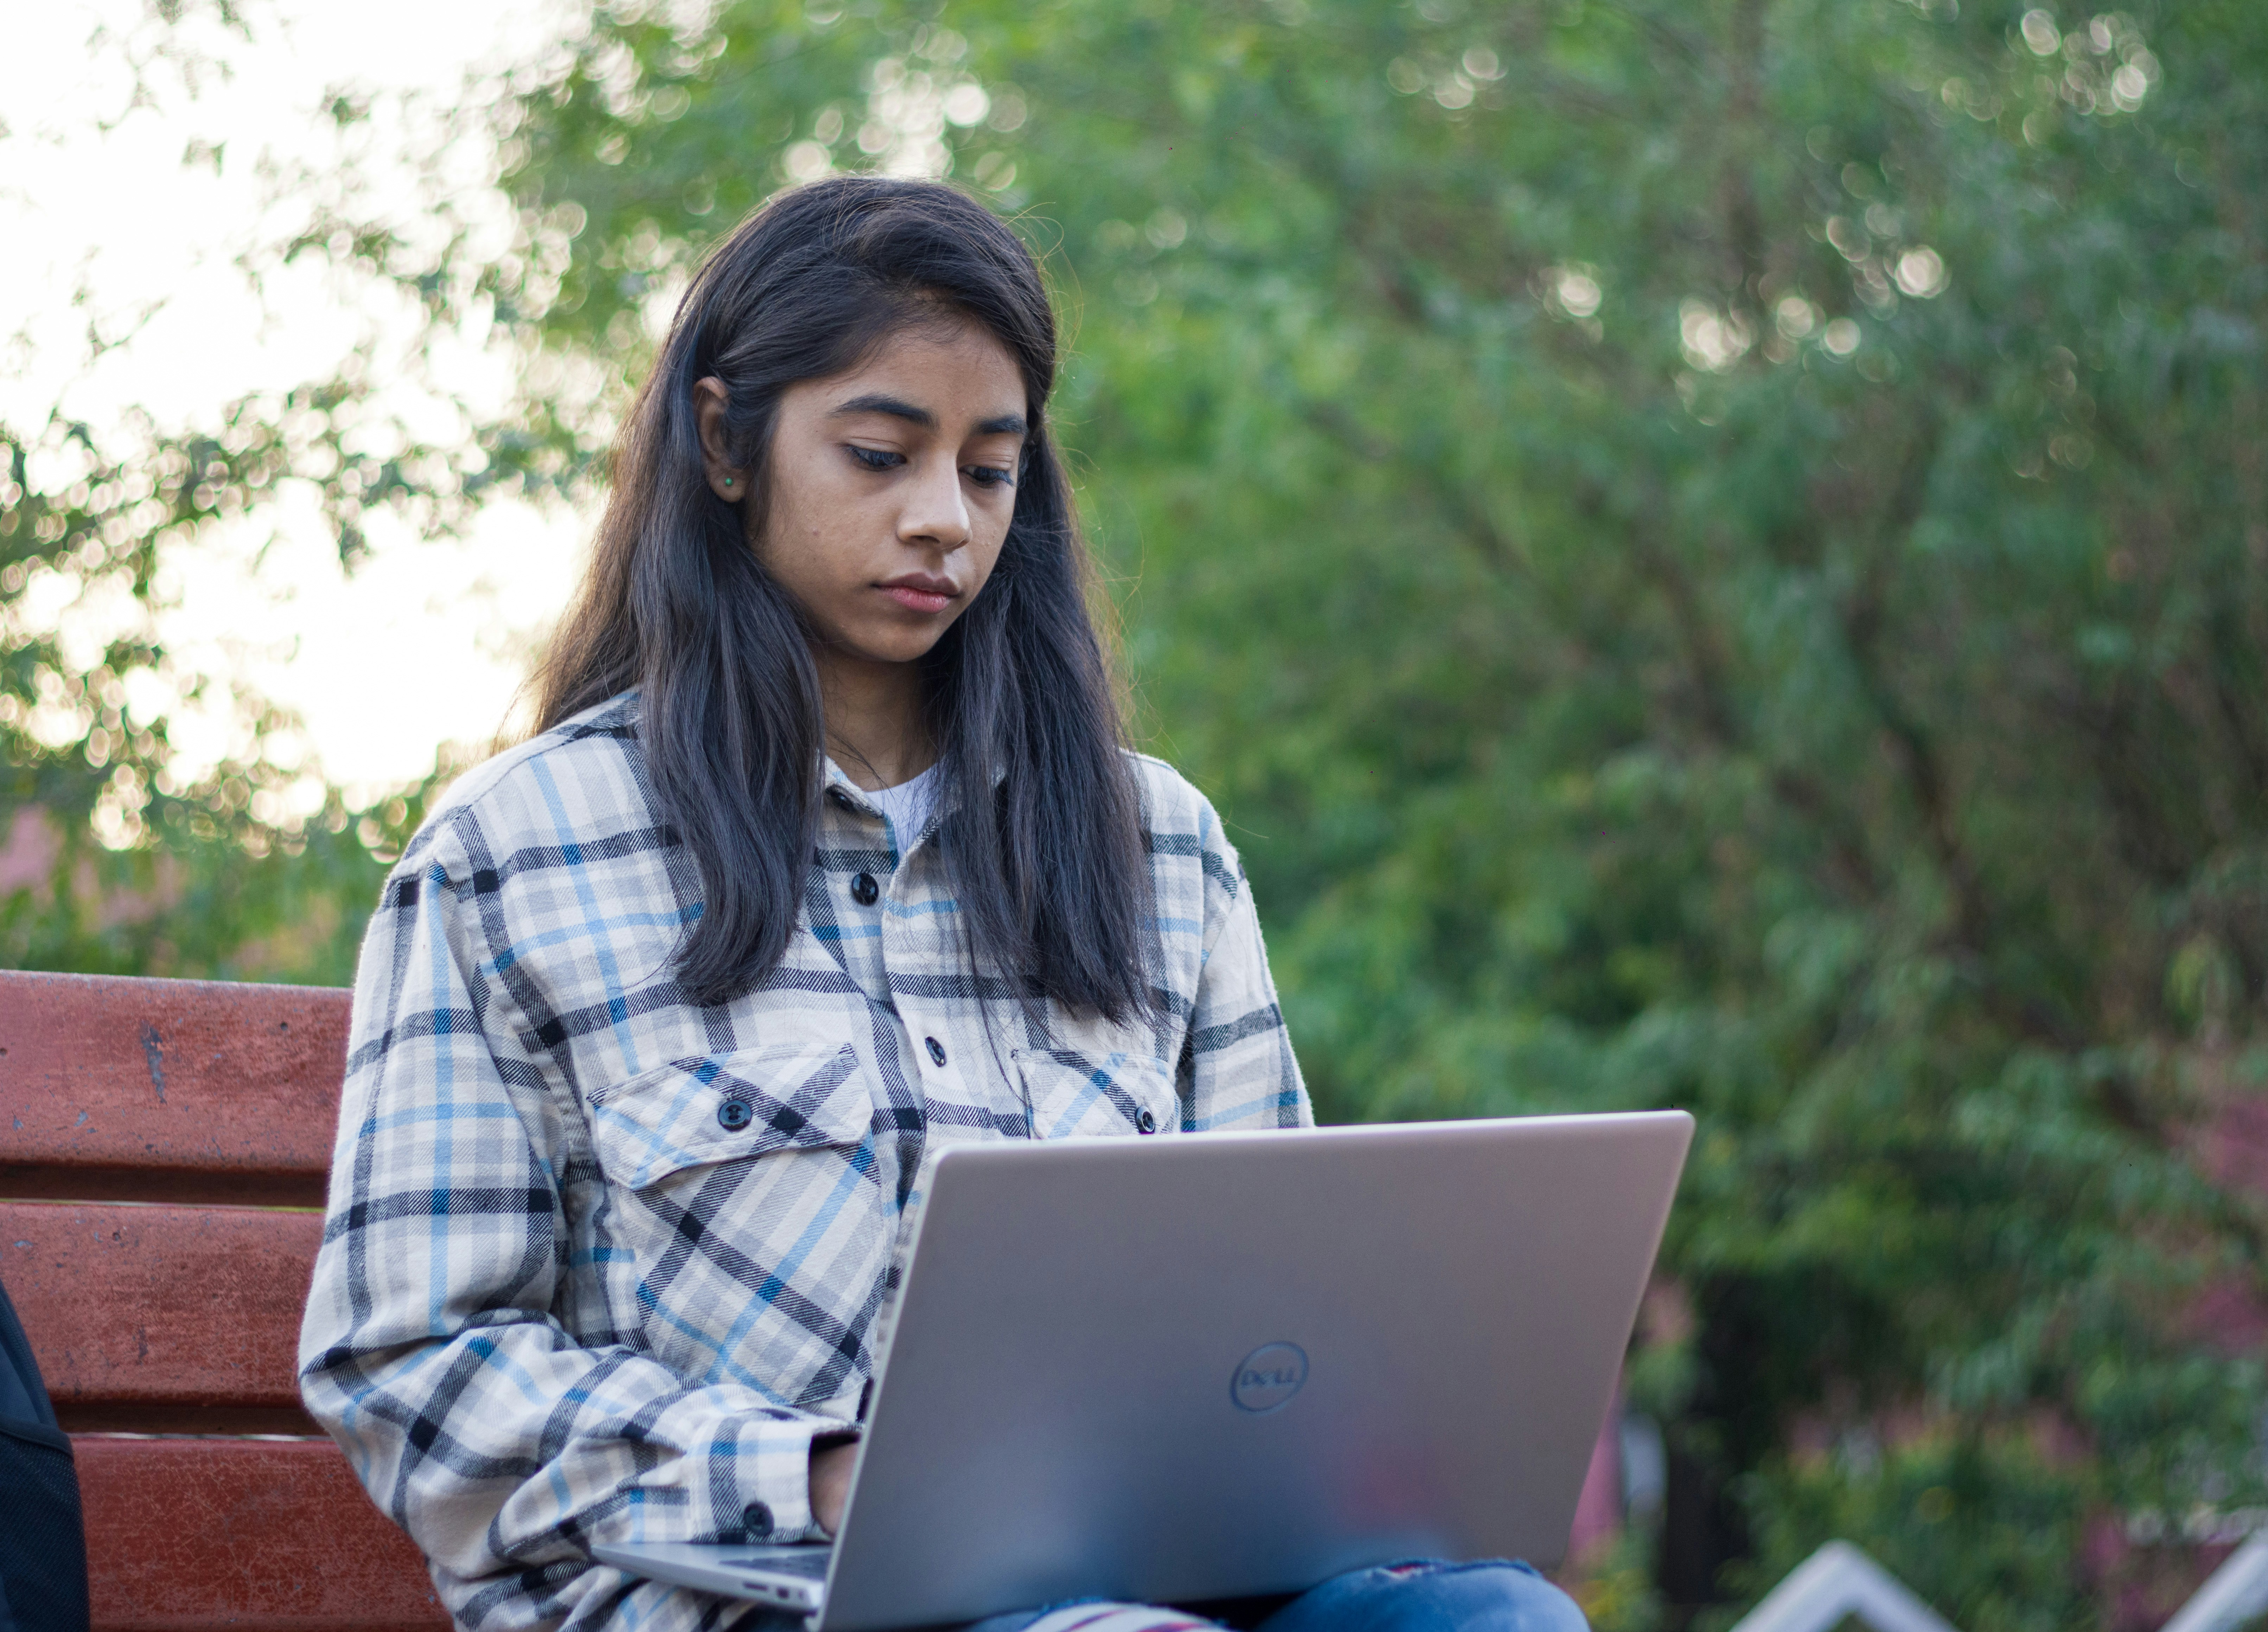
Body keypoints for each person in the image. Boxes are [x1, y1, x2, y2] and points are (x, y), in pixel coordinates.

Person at [298, 177, 1586, 1632]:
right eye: (878, 454)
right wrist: (824, 1475)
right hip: (737, 1597)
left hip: (1142, 1580)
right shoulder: (515, 852)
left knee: (1500, 1621)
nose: (943, 522)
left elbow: (1271, 1315)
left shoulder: (1159, 846)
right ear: (725, 442)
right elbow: (415, 1363)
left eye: (989, 470)